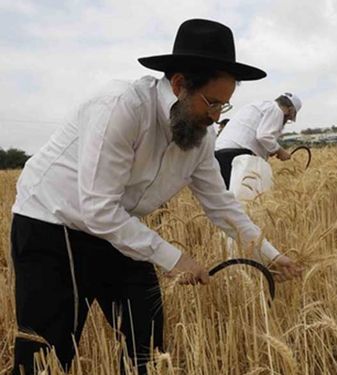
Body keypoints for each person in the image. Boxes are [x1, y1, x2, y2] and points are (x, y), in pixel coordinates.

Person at [10, 19, 303, 375]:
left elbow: (221, 205)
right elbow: (98, 211)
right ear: (179, 84)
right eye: (212, 103)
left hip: (120, 227)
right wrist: (174, 258)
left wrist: (269, 254)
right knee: (48, 352)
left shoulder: (200, 136)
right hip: (53, 223)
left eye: (223, 107)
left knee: (146, 338)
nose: (215, 118)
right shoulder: (122, 108)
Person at [214, 92, 302, 189]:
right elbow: (264, 136)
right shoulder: (276, 110)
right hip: (235, 155)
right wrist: (280, 151)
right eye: (290, 117)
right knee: (240, 196)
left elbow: (253, 133)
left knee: (226, 195)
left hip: (221, 153)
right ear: (291, 110)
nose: (287, 120)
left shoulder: (262, 105)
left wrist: (269, 150)